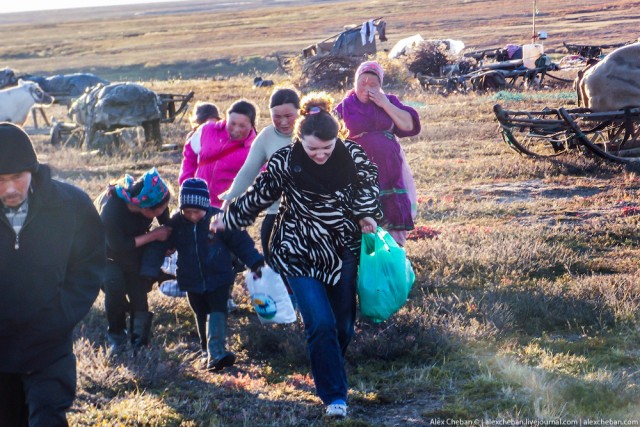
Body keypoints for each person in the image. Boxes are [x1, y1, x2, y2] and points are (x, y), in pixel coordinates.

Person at [211, 93, 381, 418]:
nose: (319, 155)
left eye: (326, 149)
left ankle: (327, 363)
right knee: (319, 323)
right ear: (299, 138)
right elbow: (259, 195)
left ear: (337, 140)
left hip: (342, 251)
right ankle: (334, 397)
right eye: (312, 148)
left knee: (343, 327)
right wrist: (229, 218)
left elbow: (368, 187)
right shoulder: (285, 160)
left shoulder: (354, 156)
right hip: (296, 251)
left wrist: (365, 214)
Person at [0, 123, 106, 426]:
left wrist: (60, 315)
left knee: (48, 417)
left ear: (32, 171)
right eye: (1, 179)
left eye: (17, 177)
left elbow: (90, 266)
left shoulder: (70, 205)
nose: (9, 188)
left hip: (49, 343)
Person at [142, 178, 264, 370]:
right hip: (191, 279)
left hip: (219, 276)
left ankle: (217, 352)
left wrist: (255, 262)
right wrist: (149, 271)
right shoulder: (176, 223)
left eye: (196, 212)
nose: (191, 216)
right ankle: (206, 351)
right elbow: (160, 247)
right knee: (201, 312)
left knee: (217, 310)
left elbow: (241, 242)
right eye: (187, 211)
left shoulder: (219, 220)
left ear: (206, 206)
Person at [180, 99, 259, 312]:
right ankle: (198, 293)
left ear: (252, 125)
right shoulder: (207, 130)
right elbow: (190, 152)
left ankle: (223, 297)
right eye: (233, 123)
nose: (236, 129)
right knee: (198, 248)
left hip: (227, 209)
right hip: (198, 204)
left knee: (227, 254)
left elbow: (260, 180)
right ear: (226, 118)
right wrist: (186, 182)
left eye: (243, 126)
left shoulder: (254, 147)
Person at [335, 60, 422, 246]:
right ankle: (366, 251)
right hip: (360, 170)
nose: (366, 87)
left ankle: (394, 250)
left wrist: (384, 104)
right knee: (365, 206)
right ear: (355, 83)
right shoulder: (345, 107)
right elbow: (330, 134)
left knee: (391, 206)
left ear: (380, 86)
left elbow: (409, 125)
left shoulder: (389, 101)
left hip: (390, 166)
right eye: (362, 83)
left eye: (373, 84)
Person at [96, 167, 172, 355]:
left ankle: (140, 341)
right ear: (145, 208)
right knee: (114, 288)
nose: (162, 212)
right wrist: (154, 236)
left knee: (138, 291)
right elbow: (118, 245)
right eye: (159, 210)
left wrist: (169, 242)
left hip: (134, 252)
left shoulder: (155, 199)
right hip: (107, 254)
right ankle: (117, 339)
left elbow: (166, 223)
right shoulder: (112, 211)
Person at [220, 88, 300, 259]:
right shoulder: (267, 136)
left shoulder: (312, 131)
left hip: (311, 216)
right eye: (277, 117)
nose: (283, 122)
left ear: (300, 111)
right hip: (276, 214)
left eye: (289, 116)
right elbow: (247, 173)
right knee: (277, 272)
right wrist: (227, 203)